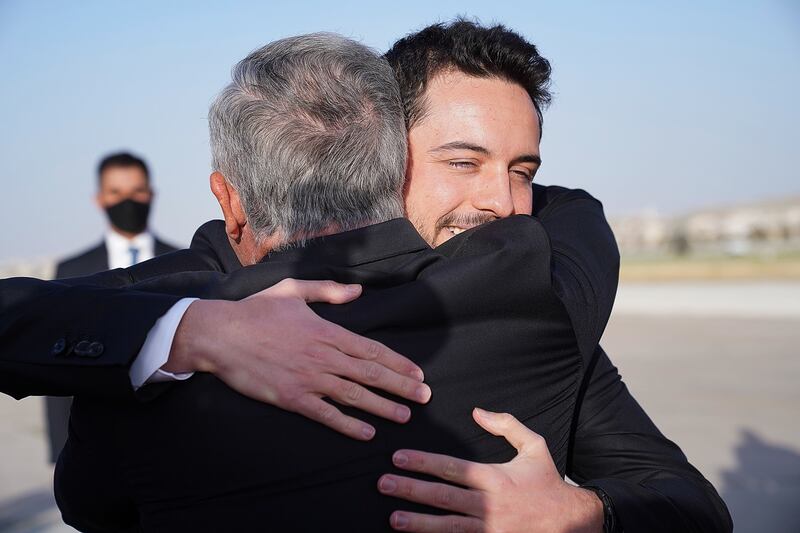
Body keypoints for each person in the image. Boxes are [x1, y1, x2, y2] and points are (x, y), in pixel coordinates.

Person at [0, 21, 732, 533]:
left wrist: (585, 516)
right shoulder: (194, 290)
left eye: (524, 171)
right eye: (462, 161)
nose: (506, 205)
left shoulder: (535, 294)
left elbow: (685, 500)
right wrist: (195, 325)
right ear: (384, 153)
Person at [45, 152, 179, 463]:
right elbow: (56, 367)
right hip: (96, 444)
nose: (127, 202)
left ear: (151, 194)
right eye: (116, 193)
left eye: (137, 192)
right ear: (100, 199)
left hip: (173, 439)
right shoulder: (72, 272)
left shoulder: (188, 262)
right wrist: (60, 449)